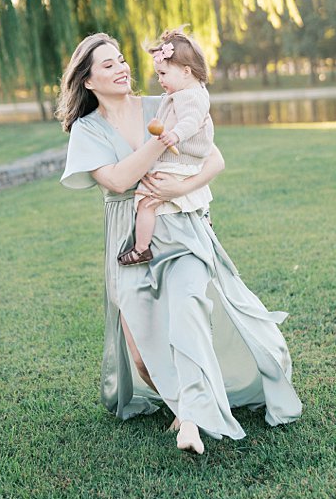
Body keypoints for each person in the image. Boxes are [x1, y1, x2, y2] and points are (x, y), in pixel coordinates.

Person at [57, 33, 302, 455]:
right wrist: (161, 142)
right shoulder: (87, 129)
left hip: (182, 226)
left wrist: (179, 188)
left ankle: (191, 418)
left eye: (121, 60)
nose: (122, 69)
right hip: (129, 237)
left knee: (187, 310)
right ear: (88, 80)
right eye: (109, 65)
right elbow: (116, 180)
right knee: (142, 355)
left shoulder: (162, 103)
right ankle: (185, 403)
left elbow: (215, 159)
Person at [118, 27, 214, 266]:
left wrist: (174, 135)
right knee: (173, 196)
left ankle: (141, 248)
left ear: (185, 71)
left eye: (163, 73)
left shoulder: (189, 96)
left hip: (180, 161)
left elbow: (190, 121)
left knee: (145, 200)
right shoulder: (190, 92)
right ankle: (205, 220)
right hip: (187, 162)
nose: (159, 80)